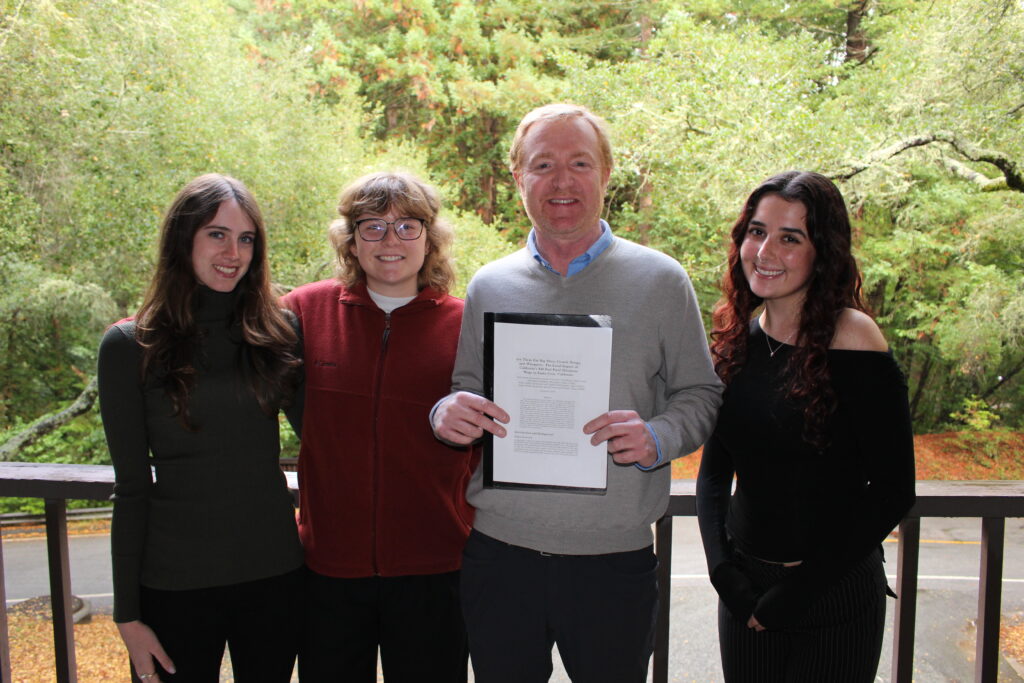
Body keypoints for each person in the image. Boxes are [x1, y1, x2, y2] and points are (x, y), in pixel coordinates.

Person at [431, 103, 724, 683]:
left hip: (612, 560)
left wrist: (657, 436)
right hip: (500, 554)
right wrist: (446, 413)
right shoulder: (490, 284)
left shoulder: (662, 281)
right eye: (543, 164)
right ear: (519, 178)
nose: (562, 181)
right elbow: (466, 388)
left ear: (606, 174)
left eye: (580, 163)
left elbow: (701, 393)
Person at [695, 171, 917, 682]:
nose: (766, 250)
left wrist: (799, 592)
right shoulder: (736, 341)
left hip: (831, 594)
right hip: (746, 594)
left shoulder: (854, 339)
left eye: (790, 238)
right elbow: (712, 475)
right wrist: (723, 573)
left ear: (824, 251)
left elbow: (893, 489)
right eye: (756, 231)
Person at [97, 173, 305, 682]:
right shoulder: (129, 346)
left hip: (273, 576)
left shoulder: (279, 332)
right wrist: (127, 614)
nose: (233, 252)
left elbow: (328, 440)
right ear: (182, 237)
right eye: (217, 234)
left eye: (246, 238)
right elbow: (130, 489)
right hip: (174, 585)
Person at [282, 171, 474, 682]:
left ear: (430, 238)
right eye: (372, 226)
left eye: (407, 225)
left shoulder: (470, 324)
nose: (391, 241)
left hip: (436, 569)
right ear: (350, 239)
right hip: (329, 573)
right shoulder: (303, 312)